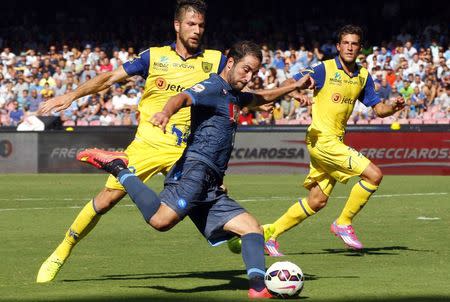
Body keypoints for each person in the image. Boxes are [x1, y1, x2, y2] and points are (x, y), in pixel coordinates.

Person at [76, 40, 313, 299]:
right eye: (246, 70)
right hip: (195, 170)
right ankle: (119, 167)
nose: (249, 77)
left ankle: (257, 288)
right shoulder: (213, 87)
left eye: (254, 73)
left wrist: (292, 87)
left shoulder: (234, 94)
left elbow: (261, 97)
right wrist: (166, 112)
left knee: (252, 229)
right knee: (160, 220)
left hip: (212, 181)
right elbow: (181, 97)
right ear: (231, 63)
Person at [36, 0, 227, 283]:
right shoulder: (154, 57)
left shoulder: (216, 60)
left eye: (200, 25)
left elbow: (236, 90)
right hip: (148, 145)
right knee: (107, 199)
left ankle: (242, 239)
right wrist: (71, 96)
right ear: (177, 25)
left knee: (216, 194)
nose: (196, 30)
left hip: (188, 149)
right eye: (190, 24)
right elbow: (110, 78)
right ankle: (62, 251)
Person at [264, 25, 405, 256]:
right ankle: (344, 222)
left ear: (360, 47)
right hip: (322, 139)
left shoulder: (362, 76)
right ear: (338, 46)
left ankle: (268, 234)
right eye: (346, 43)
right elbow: (286, 84)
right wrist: (297, 93)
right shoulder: (323, 69)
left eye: (354, 43)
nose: (350, 47)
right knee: (374, 175)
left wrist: (393, 107)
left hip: (333, 141)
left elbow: (379, 109)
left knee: (316, 201)